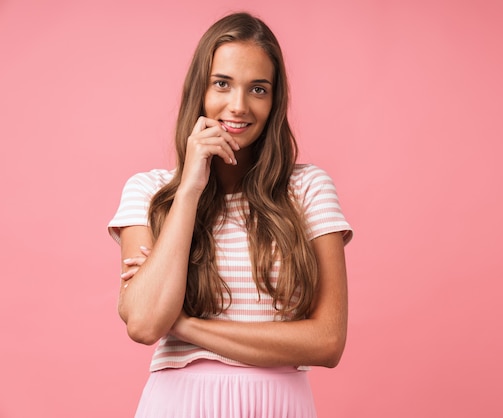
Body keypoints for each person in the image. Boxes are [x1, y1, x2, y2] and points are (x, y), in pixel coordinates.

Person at [107, 12, 353, 418]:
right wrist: (189, 189)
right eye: (222, 84)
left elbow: (327, 342)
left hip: (278, 406)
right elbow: (147, 324)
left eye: (258, 89)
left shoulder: (308, 190)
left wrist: (184, 325)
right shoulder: (149, 192)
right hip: (178, 405)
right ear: (199, 91)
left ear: (275, 101)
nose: (238, 107)